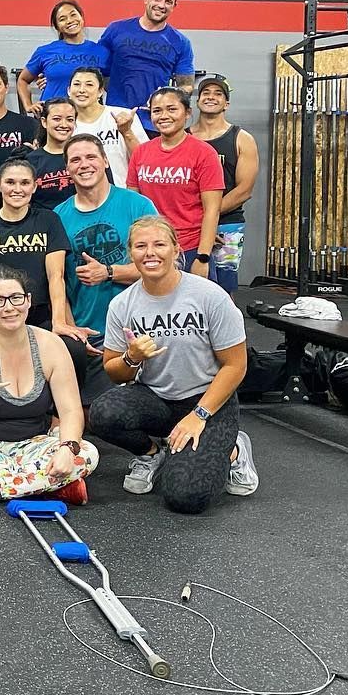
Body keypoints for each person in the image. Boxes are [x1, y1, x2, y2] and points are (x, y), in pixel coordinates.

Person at [88, 216, 257, 513]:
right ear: (131, 253)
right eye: (141, 246)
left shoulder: (209, 296)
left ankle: (233, 449)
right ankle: (152, 453)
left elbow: (235, 366)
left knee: (186, 497)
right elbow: (113, 370)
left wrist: (199, 415)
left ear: (177, 250)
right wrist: (132, 358)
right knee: (103, 413)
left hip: (207, 400)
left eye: (159, 244)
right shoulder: (122, 304)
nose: (150, 253)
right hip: (157, 399)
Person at [0, 267, 100, 505]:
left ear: (28, 301)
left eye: (16, 298)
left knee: (87, 453)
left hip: (35, 445)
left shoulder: (51, 345)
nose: (9, 307)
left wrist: (67, 448)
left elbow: (70, 411)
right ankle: (51, 487)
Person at [53, 135, 157, 371]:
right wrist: (73, 331)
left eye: (91, 157)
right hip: (89, 332)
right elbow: (57, 280)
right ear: (67, 168)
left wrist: (109, 272)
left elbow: (162, 269)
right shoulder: (57, 216)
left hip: (141, 328)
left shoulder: (138, 205)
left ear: (105, 161)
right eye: (76, 159)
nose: (84, 164)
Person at [0, 158, 81, 340]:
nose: (17, 189)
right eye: (10, 182)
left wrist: (59, 322)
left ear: (34, 186)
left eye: (25, 183)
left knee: (75, 351)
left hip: (40, 317)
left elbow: (56, 275)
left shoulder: (48, 220)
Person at [127, 87, 221, 277]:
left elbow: (212, 210)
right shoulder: (140, 152)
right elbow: (133, 204)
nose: (163, 116)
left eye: (171, 109)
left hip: (190, 248)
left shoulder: (204, 153)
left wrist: (203, 257)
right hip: (151, 250)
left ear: (187, 113)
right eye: (157, 111)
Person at [190, 77, 259, 294]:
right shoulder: (184, 138)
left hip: (227, 225)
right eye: (206, 92)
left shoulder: (242, 139)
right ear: (198, 101)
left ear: (226, 104)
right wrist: (196, 222)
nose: (211, 96)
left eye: (218, 93)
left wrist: (208, 220)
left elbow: (244, 190)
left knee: (223, 290)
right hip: (188, 225)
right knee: (188, 287)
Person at [101, 0, 196, 132]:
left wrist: (163, 99)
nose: (161, 5)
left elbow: (186, 85)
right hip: (114, 119)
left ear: (174, 6)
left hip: (154, 123)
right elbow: (98, 69)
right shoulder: (116, 29)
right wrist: (119, 92)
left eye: (168, 2)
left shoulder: (180, 42)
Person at [17, 1, 110, 115]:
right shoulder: (44, 52)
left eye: (73, 14)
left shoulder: (101, 51)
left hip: (89, 117)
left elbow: (110, 84)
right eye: (62, 19)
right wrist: (28, 105)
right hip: (54, 117)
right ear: (57, 27)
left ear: (81, 16)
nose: (70, 20)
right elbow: (23, 80)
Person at [68, 65, 145, 188]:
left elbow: (144, 160)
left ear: (100, 92)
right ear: (68, 91)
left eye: (89, 85)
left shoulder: (122, 116)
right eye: (77, 84)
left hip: (123, 193)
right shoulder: (65, 126)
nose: (82, 90)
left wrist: (126, 132)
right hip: (81, 195)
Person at [24, 97, 77, 210]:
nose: (64, 124)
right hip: (44, 225)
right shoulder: (31, 161)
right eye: (57, 119)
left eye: (70, 119)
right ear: (44, 122)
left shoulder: (84, 156)